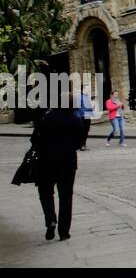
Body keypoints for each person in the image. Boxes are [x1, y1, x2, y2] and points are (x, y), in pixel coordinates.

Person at [31, 101, 82, 241]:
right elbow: (80, 142)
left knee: (46, 192)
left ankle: (50, 219)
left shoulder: (47, 117)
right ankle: (64, 231)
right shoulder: (75, 120)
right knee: (66, 196)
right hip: (68, 162)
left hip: (46, 161)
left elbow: (34, 138)